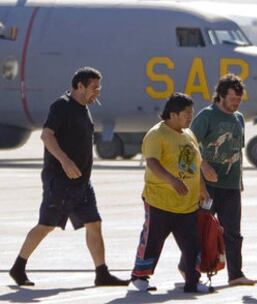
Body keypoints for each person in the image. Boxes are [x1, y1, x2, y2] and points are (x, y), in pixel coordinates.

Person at [9, 67, 129, 287]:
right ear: (79, 86)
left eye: (98, 87)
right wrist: (65, 161)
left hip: (82, 182)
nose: (97, 92)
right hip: (60, 181)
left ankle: (101, 273)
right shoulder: (62, 106)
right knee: (46, 225)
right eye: (93, 87)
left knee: (94, 223)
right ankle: (18, 267)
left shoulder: (84, 108)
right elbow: (47, 135)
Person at [130, 93, 211, 293]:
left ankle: (192, 281)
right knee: (153, 241)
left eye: (191, 113)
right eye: (187, 114)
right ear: (173, 114)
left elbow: (195, 165)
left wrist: (202, 189)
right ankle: (140, 276)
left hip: (187, 203)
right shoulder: (157, 134)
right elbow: (152, 163)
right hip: (160, 201)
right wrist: (172, 181)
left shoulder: (188, 134)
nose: (190, 117)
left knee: (192, 244)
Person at [190, 74, 257, 286]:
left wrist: (240, 180)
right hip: (207, 188)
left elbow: (237, 150)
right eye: (232, 99)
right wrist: (203, 165)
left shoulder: (238, 119)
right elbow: (189, 145)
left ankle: (236, 274)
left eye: (239, 99)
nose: (236, 103)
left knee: (233, 232)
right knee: (201, 230)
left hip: (231, 186)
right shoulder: (207, 116)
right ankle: (190, 270)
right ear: (220, 96)